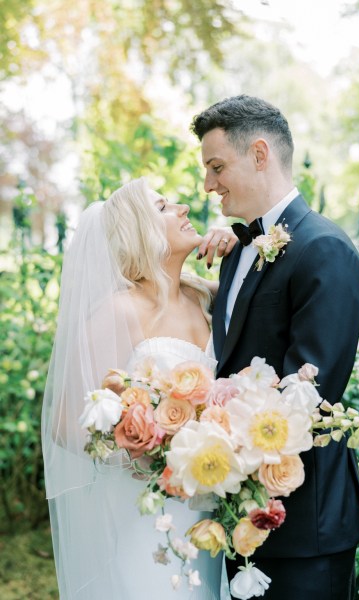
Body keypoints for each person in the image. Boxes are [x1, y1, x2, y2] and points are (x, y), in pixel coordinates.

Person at [192, 95, 359, 600]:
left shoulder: (325, 251)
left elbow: (306, 396)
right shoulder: (237, 250)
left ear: (259, 153)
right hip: (239, 516)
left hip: (304, 527)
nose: (208, 184)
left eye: (216, 166)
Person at [41, 177, 236, 599]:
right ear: (140, 232)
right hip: (147, 514)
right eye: (165, 207)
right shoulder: (120, 310)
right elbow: (63, 422)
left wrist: (236, 245)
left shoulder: (204, 297)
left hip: (206, 511)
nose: (183, 208)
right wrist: (148, 455)